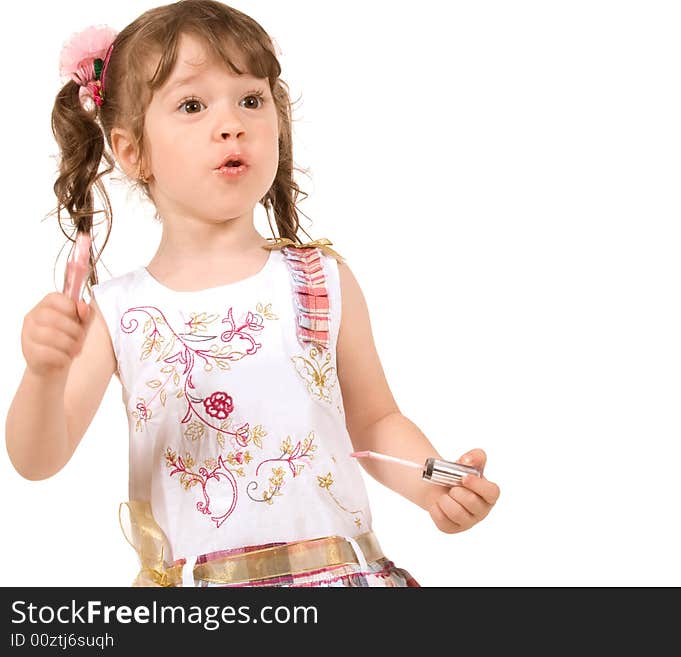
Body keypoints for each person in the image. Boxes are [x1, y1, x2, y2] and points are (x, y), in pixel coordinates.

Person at [5, 0, 500, 587]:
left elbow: (375, 421)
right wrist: (41, 373)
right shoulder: (117, 311)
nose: (231, 123)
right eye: (193, 105)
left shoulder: (319, 279)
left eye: (251, 100)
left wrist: (436, 484)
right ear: (132, 151)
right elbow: (38, 460)